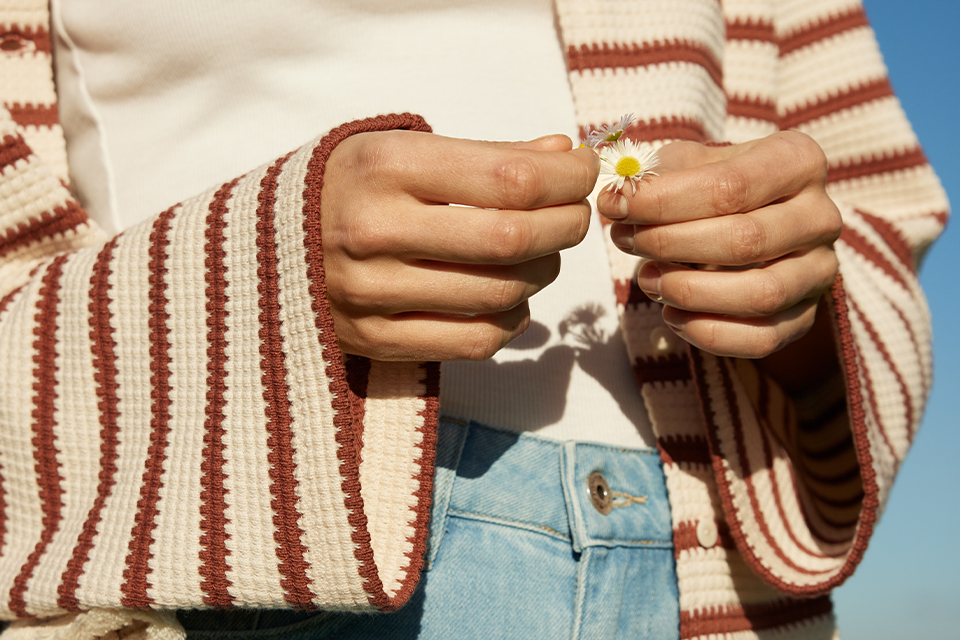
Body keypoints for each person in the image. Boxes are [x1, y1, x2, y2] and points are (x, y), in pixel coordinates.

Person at [0, 0, 947, 638]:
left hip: (695, 572)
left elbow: (866, 211)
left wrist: (789, 296)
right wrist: (249, 282)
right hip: (242, 548)